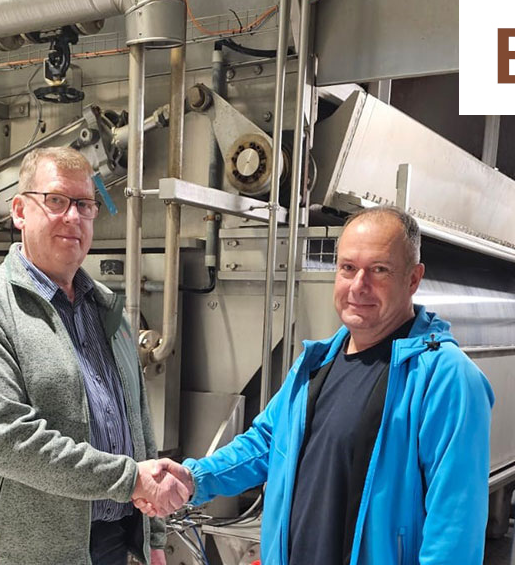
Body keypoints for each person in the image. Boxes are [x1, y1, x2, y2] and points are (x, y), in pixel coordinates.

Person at [140, 206, 495, 564]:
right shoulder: (317, 363)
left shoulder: (445, 378)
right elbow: (265, 443)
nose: (359, 285)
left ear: (413, 279)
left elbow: (455, 530)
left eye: (380, 270)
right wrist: (193, 478)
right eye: (348, 268)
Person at [0, 146, 188, 565]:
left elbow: (138, 420)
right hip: (24, 555)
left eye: (85, 205)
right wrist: (129, 480)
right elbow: (3, 437)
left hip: (112, 545)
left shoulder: (108, 308)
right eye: (56, 201)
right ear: (19, 210)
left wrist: (154, 538)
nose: (73, 217)